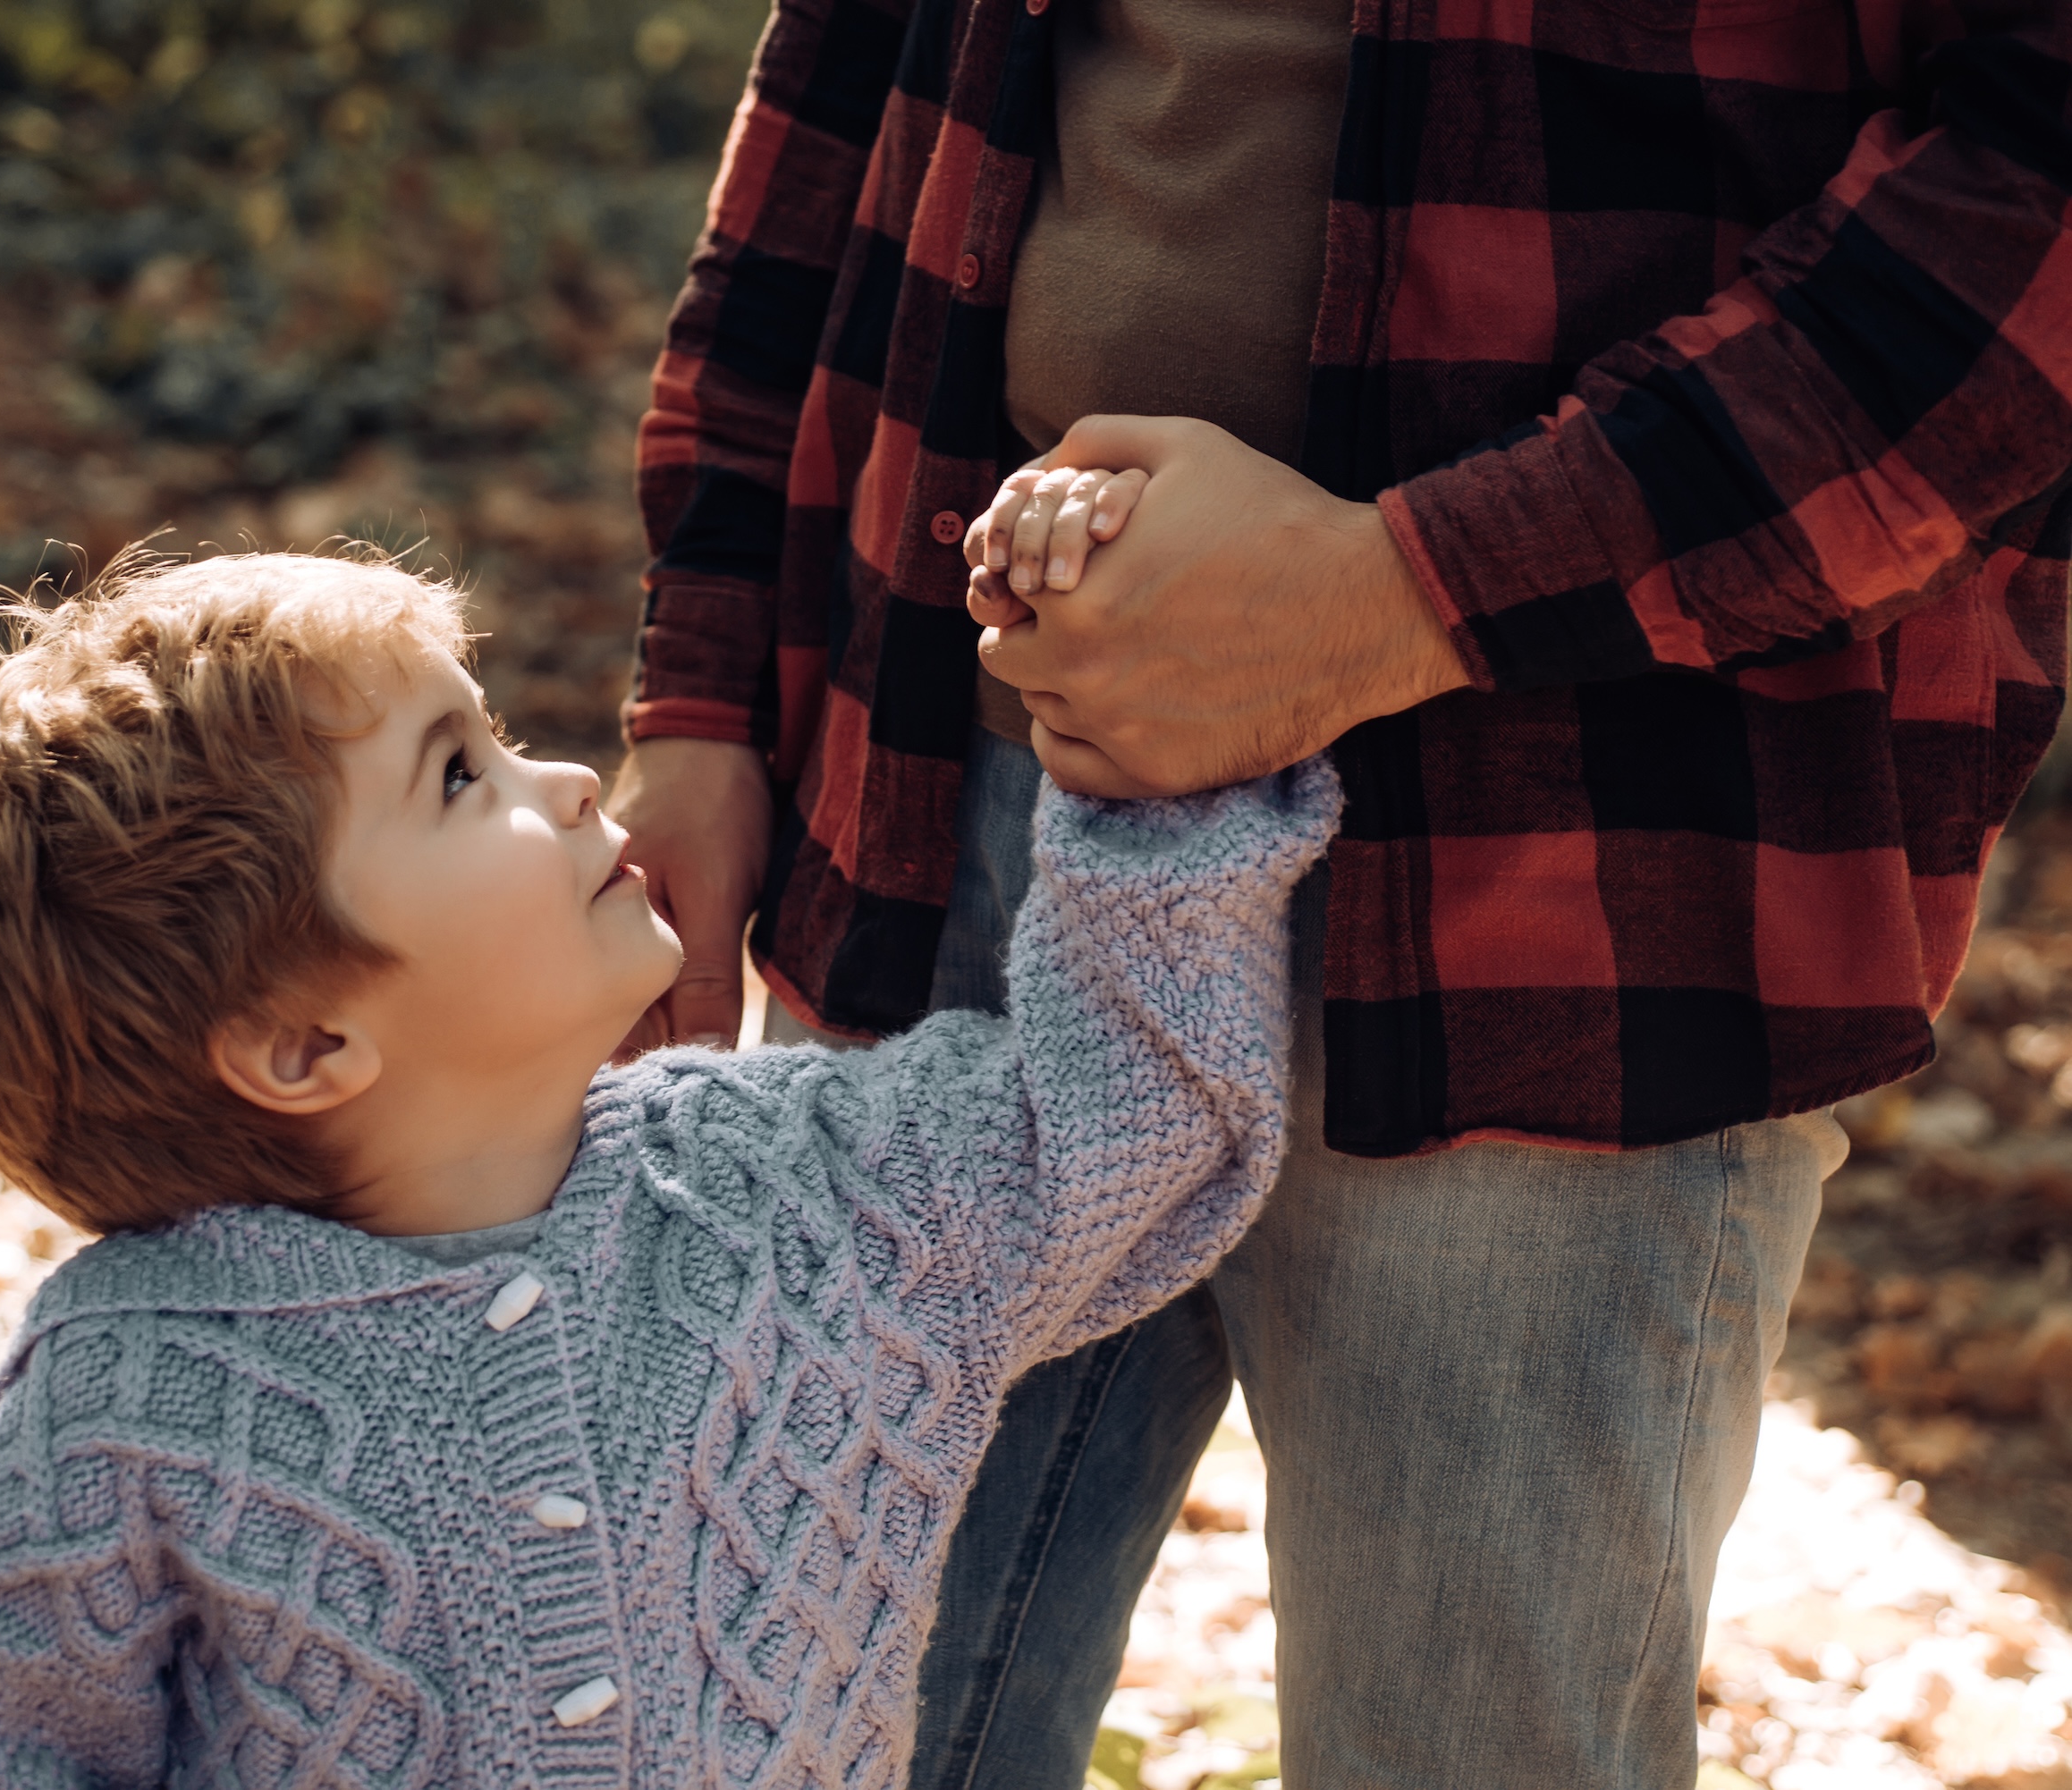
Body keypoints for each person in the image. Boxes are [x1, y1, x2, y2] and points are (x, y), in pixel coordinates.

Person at [611, 2, 2072, 1786]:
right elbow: (848, 69)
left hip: (1579, 857)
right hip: (955, 779)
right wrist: (697, 689)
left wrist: (1396, 592)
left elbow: (2036, 189)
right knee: (815, 1735)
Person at [0, 547, 1337, 1788]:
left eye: (503, 735)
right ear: (306, 1044)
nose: (573, 783)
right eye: (461, 775)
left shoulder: (808, 1191)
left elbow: (1122, 1119)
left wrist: (1157, 769)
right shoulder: (129, 1402)